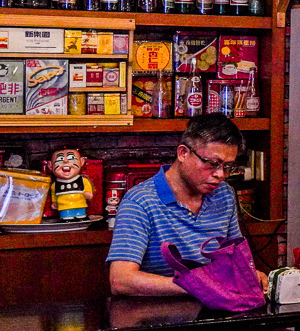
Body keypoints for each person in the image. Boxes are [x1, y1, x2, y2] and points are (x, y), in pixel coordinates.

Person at [107, 113, 253, 296]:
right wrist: (201, 286)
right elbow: (121, 280)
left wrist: (251, 276)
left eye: (228, 167)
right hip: (156, 314)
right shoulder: (140, 202)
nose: (220, 174)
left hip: (215, 307)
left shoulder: (224, 194)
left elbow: (235, 260)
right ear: (183, 153)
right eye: (213, 164)